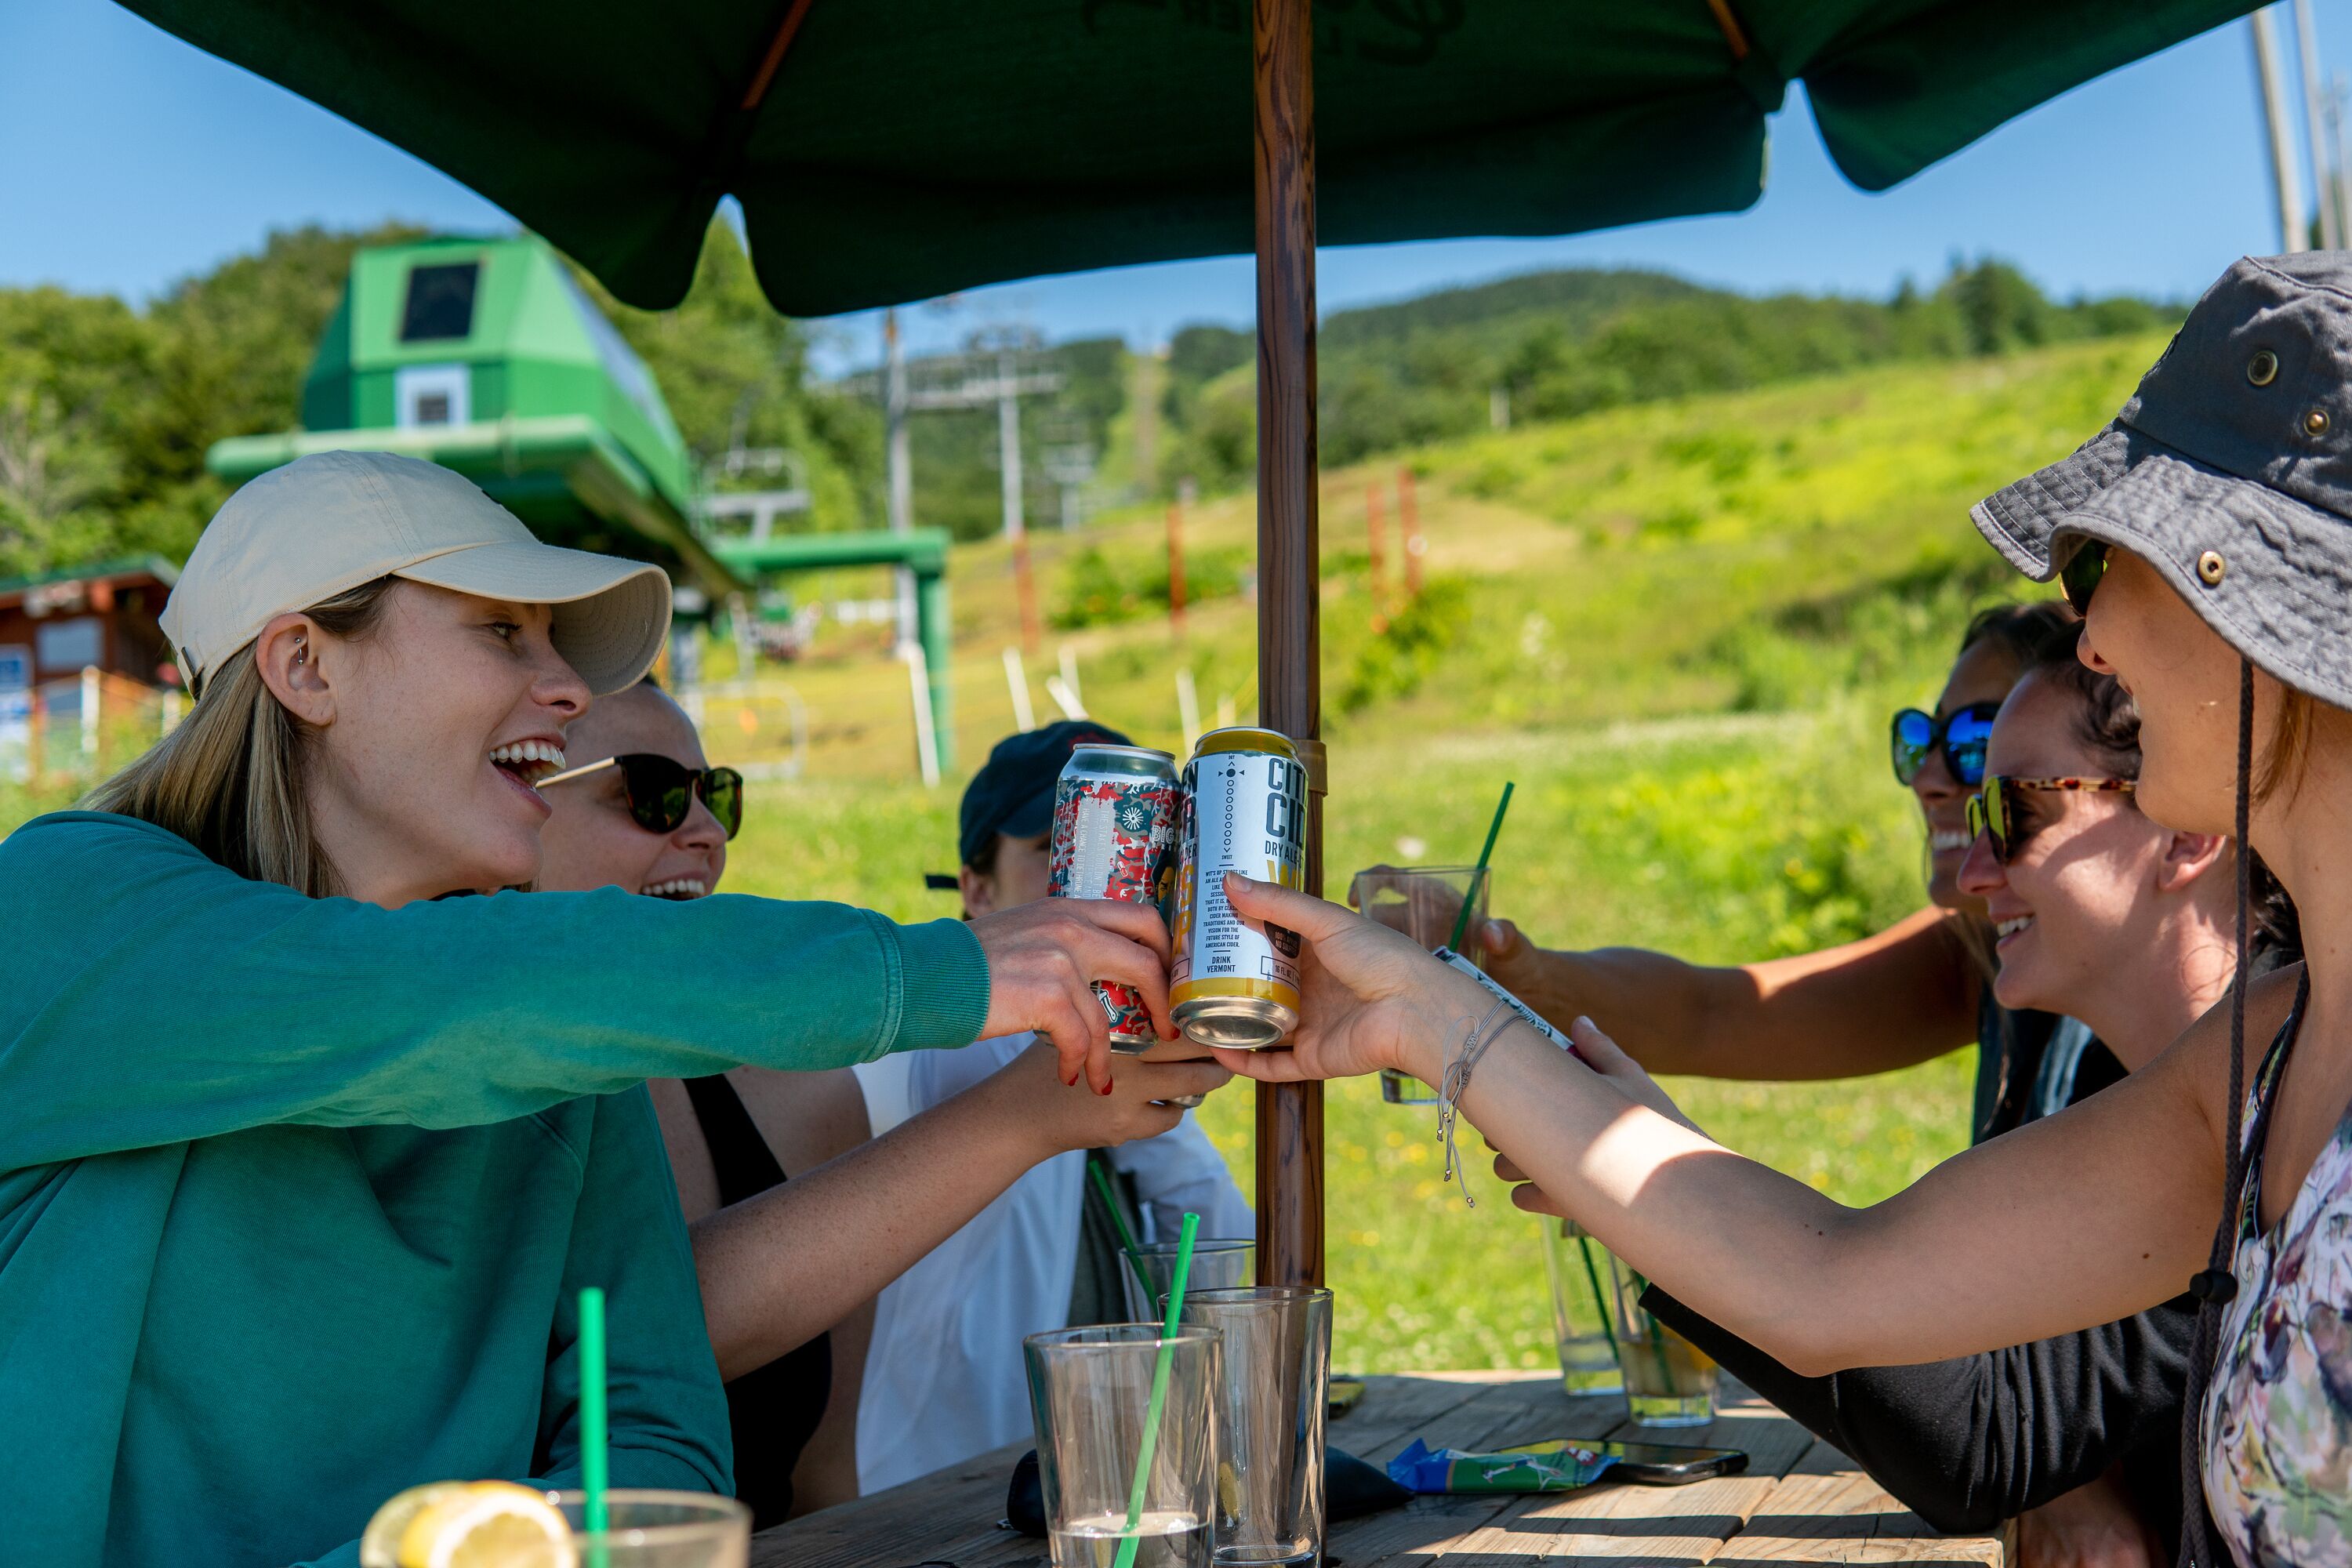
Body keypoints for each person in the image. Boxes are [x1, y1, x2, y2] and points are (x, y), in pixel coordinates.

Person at [1209, 252, 2352, 1567]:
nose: (2087, 636)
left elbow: (1959, 1402)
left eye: (2112, 564)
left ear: (2265, 611)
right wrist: (1427, 1015)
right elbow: (1823, 1280)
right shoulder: (2258, 1063)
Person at [0, 452, 1171, 1568]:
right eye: (502, 632)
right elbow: (449, 996)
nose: (569, 690)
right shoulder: (65, 905)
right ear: (306, 666)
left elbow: (658, 1434)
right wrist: (946, 972)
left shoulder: (557, 1047)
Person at [1644, 640, 2295, 1565]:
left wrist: (1616, 1166)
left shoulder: (2280, 1096)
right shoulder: (2149, 1084)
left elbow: (1992, 1427)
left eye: (2015, 811)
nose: (1976, 870)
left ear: (2188, 832)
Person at [533, 687, 1232, 1526]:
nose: (709, 830)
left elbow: (823, 1469)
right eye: (650, 793)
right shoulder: (459, 1093)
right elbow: (632, 1336)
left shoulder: (782, 1092)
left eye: (716, 794)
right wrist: (1028, 1109)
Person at [1475, 599, 2098, 1138]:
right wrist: (1507, 971)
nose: (1928, 778)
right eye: (1922, 738)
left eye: (1977, 743)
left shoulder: (2140, 1032)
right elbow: (1711, 1014)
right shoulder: (1983, 948)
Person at [850, 720, 1254, 1497]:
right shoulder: (952, 1041)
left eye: (1143, 846)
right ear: (977, 893)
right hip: (919, 1496)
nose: (1112, 882)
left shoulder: (1105, 1051)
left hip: (1059, 1483)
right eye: (1063, 847)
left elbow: (1222, 1252)